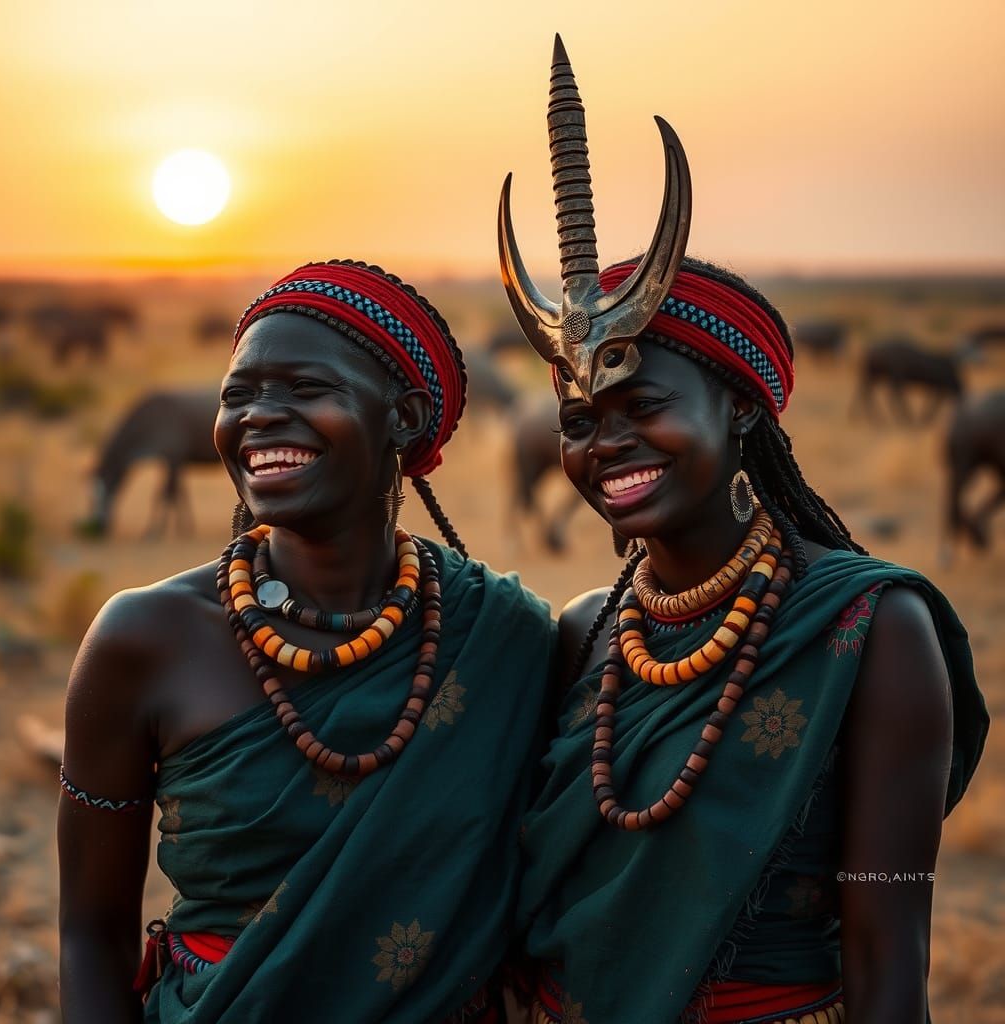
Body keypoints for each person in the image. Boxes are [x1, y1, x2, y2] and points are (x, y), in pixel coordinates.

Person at [498, 38, 988, 1024]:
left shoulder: (870, 630)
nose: (607, 443)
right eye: (580, 419)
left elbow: (887, 963)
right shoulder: (584, 631)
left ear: (743, 411)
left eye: (644, 403)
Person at [58, 259, 555, 1023]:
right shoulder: (144, 639)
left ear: (407, 417)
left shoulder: (502, 637)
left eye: (305, 389)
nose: (258, 416)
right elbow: (93, 939)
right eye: (239, 395)